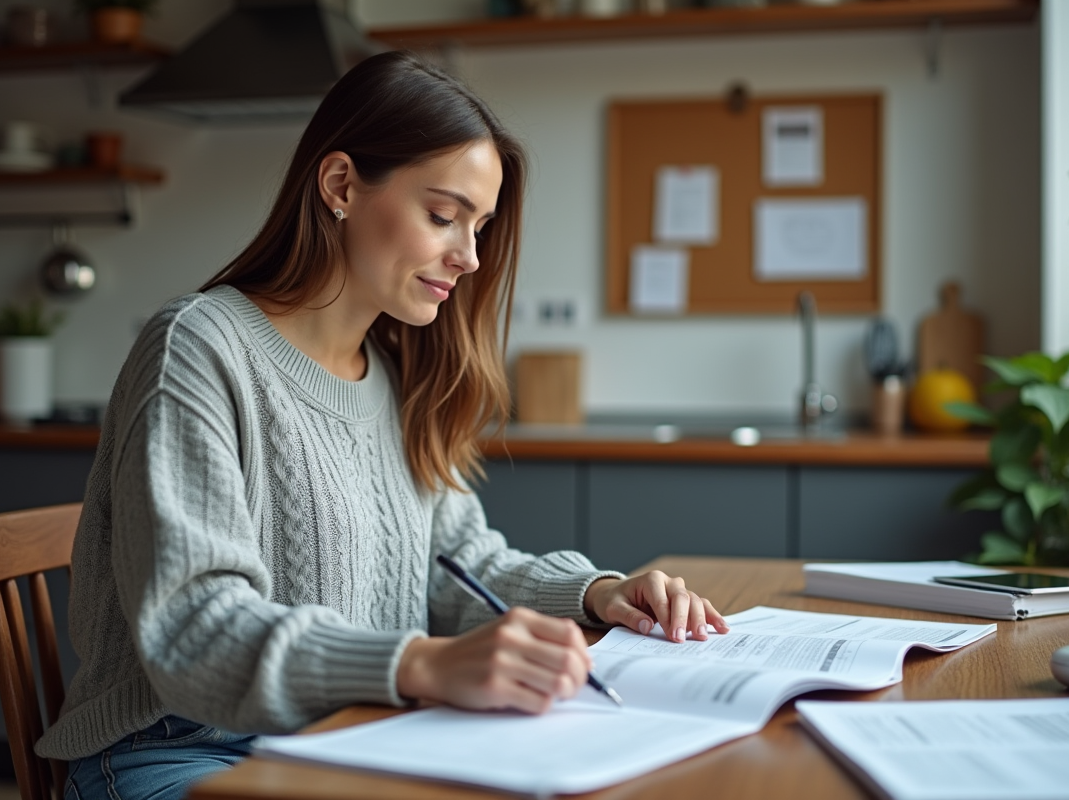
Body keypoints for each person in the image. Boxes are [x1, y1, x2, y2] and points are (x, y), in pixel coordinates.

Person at [36, 51, 729, 800]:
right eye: (442, 216)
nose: (467, 256)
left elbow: (459, 565)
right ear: (339, 185)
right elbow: (194, 629)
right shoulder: (200, 348)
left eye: (480, 227)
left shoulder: (396, 377)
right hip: (177, 753)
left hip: (347, 741)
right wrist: (420, 666)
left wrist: (598, 592)